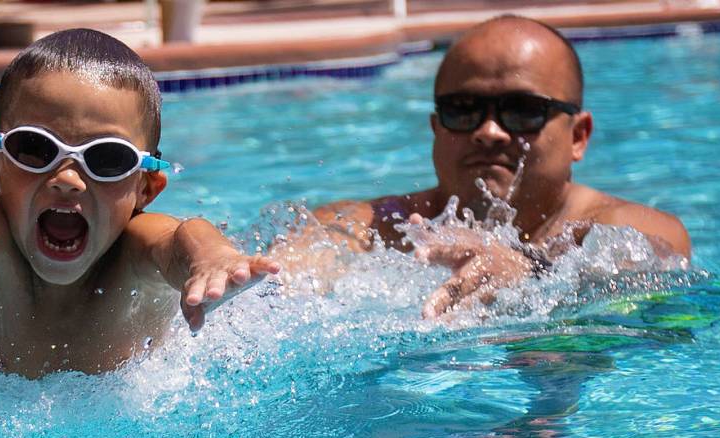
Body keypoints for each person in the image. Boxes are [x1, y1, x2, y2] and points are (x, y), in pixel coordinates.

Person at [0, 29, 278, 377]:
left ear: (145, 189)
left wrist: (212, 260)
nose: (68, 179)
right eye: (35, 148)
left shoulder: (134, 249)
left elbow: (183, 237)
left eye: (108, 158)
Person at [279, 15, 691, 318]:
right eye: (463, 110)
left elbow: (648, 271)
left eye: (524, 110)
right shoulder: (375, 227)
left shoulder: (625, 228)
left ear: (578, 136)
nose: (490, 131)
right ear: (436, 128)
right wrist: (212, 244)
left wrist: (531, 270)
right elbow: (274, 281)